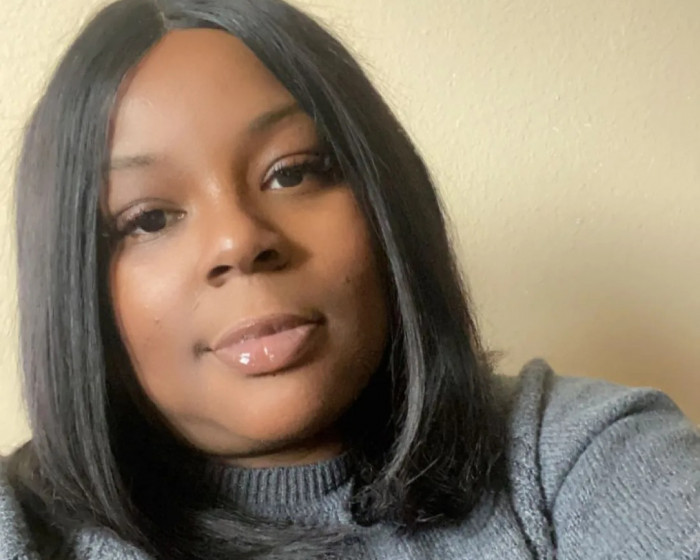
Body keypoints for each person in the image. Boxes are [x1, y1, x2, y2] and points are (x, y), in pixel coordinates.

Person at [1, 0, 698, 558]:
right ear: (77, 288)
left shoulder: (582, 456)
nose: (239, 240)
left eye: (293, 172)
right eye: (148, 219)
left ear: (387, 196)